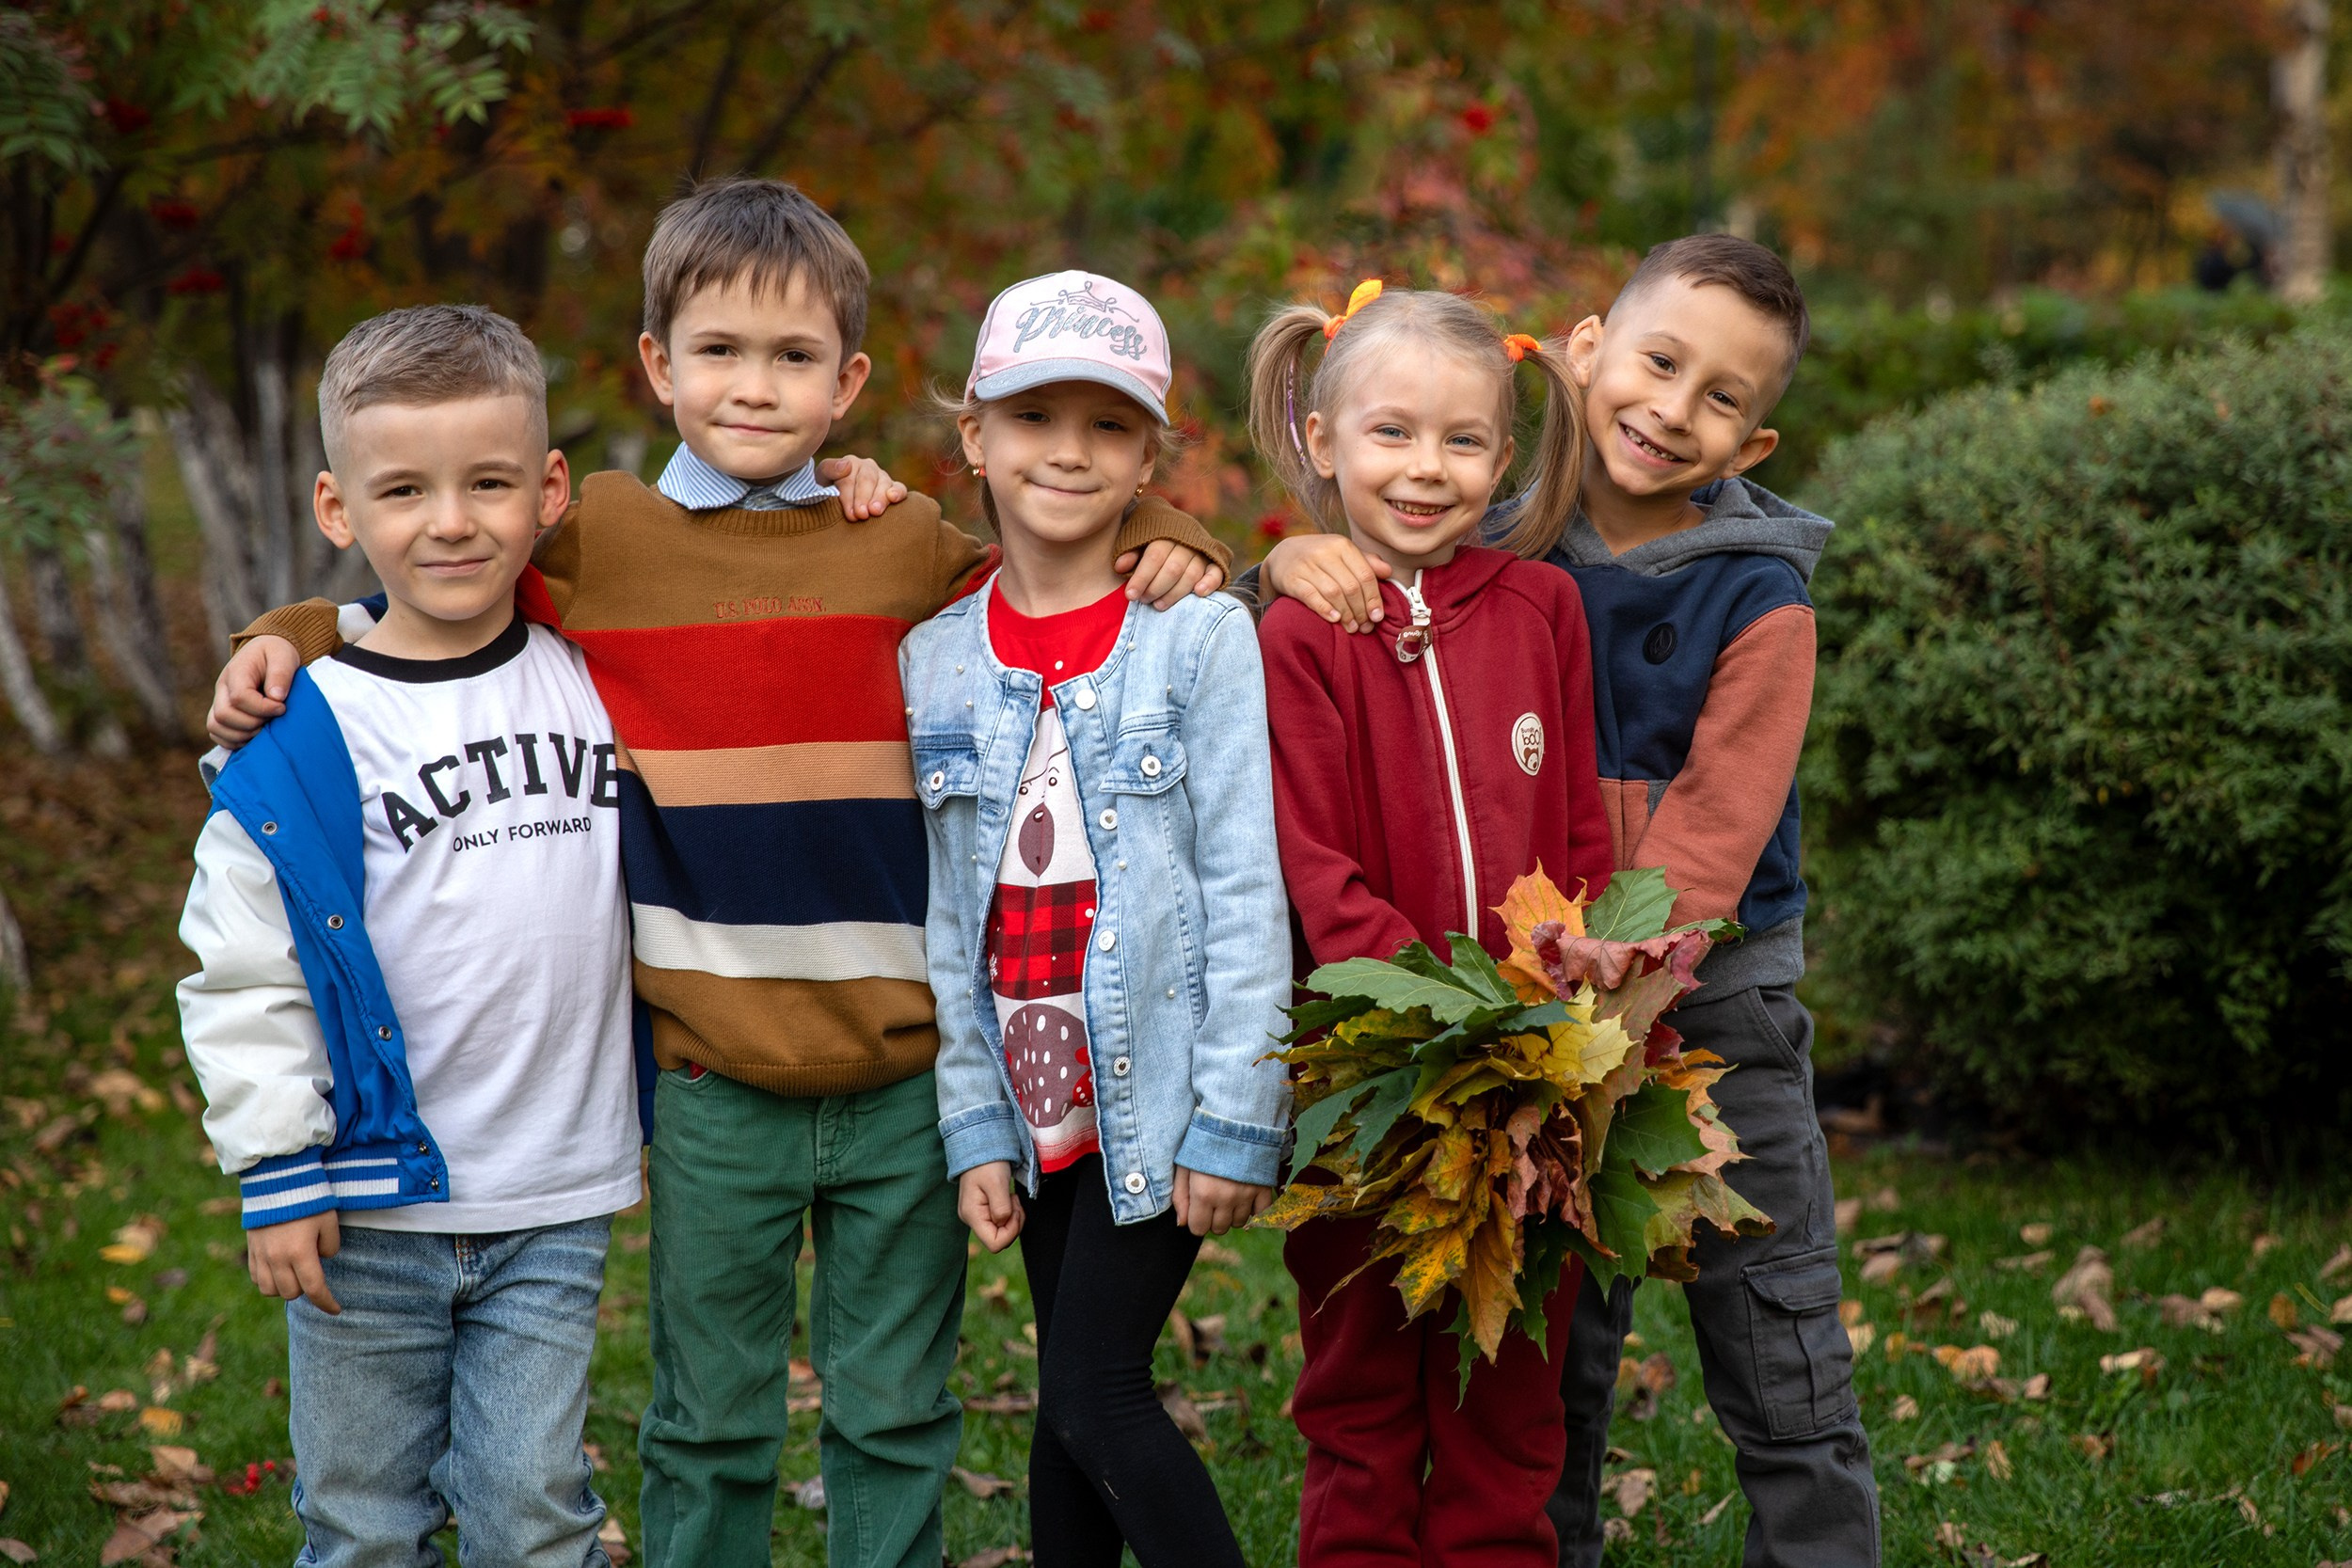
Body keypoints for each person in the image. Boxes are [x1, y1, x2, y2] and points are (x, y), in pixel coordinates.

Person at [198, 180, 1232, 1568]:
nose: (755, 385)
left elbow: (1052, 566)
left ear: (848, 383)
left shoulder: (898, 541)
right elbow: (437, 584)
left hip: (904, 1073)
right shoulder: (601, 540)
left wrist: (1176, 538)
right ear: (657, 364)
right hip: (710, 1080)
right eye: (721, 351)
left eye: (794, 356)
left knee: (895, 1410)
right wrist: (289, 630)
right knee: (709, 1420)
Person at [1255, 236, 1880, 1568]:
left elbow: (1714, 824)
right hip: (1518, 1016)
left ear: (1756, 442)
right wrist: (1293, 556)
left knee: (1773, 1326)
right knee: (1549, 1337)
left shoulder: (1759, 594)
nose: (1674, 408)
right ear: (1588, 352)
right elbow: (1356, 558)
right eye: (1660, 362)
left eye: (1721, 396)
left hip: (1705, 999)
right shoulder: (1482, 539)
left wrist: (1607, 978)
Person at [176, 304, 639, 1566]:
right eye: (404, 490)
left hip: (554, 1191)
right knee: (362, 1519)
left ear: (549, 490)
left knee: (530, 1508)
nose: (451, 521)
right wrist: (277, 1167)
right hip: (366, 1207)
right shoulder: (305, 729)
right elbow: (242, 966)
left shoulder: (598, 676)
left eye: (489, 482)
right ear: (339, 509)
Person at [904, 270, 1290, 1567]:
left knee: (1092, 1394)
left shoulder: (1198, 637)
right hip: (1033, 1093)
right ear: (975, 435)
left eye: (1108, 425)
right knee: (1066, 1413)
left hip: (1163, 1089)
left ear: (1147, 458)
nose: (1068, 451)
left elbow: (1245, 884)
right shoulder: (935, 657)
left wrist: (1237, 1115)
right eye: (1033, 418)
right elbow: (948, 921)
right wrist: (974, 1123)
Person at [1248, 280, 1617, 1567]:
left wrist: (1565, 999)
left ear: (1503, 458)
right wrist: (1437, 1022)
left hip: (1529, 1073)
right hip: (1367, 1077)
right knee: (1361, 1381)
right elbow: (1315, 867)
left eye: (1463, 440)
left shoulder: (1543, 609)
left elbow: (1576, 832)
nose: (1425, 468)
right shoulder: (1299, 633)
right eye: (1392, 433)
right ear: (1322, 440)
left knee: (1510, 1386)